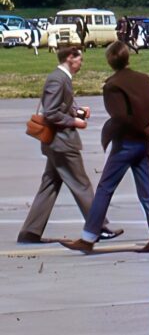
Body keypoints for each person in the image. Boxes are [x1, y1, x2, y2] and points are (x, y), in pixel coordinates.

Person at [69, 42, 149, 252]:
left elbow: (119, 117)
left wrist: (109, 131)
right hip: (143, 141)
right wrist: (144, 127)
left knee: (105, 188)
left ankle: (89, 236)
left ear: (110, 61)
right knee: (147, 190)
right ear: (128, 57)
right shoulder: (145, 79)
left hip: (126, 143)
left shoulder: (112, 85)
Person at [19, 45, 97, 243]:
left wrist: (78, 111)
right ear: (70, 58)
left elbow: (61, 106)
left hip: (56, 144)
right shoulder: (58, 78)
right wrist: (75, 122)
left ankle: (30, 231)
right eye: (80, 59)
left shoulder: (61, 78)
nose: (81, 63)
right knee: (81, 184)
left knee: (50, 185)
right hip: (62, 143)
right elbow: (52, 112)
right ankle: (98, 225)